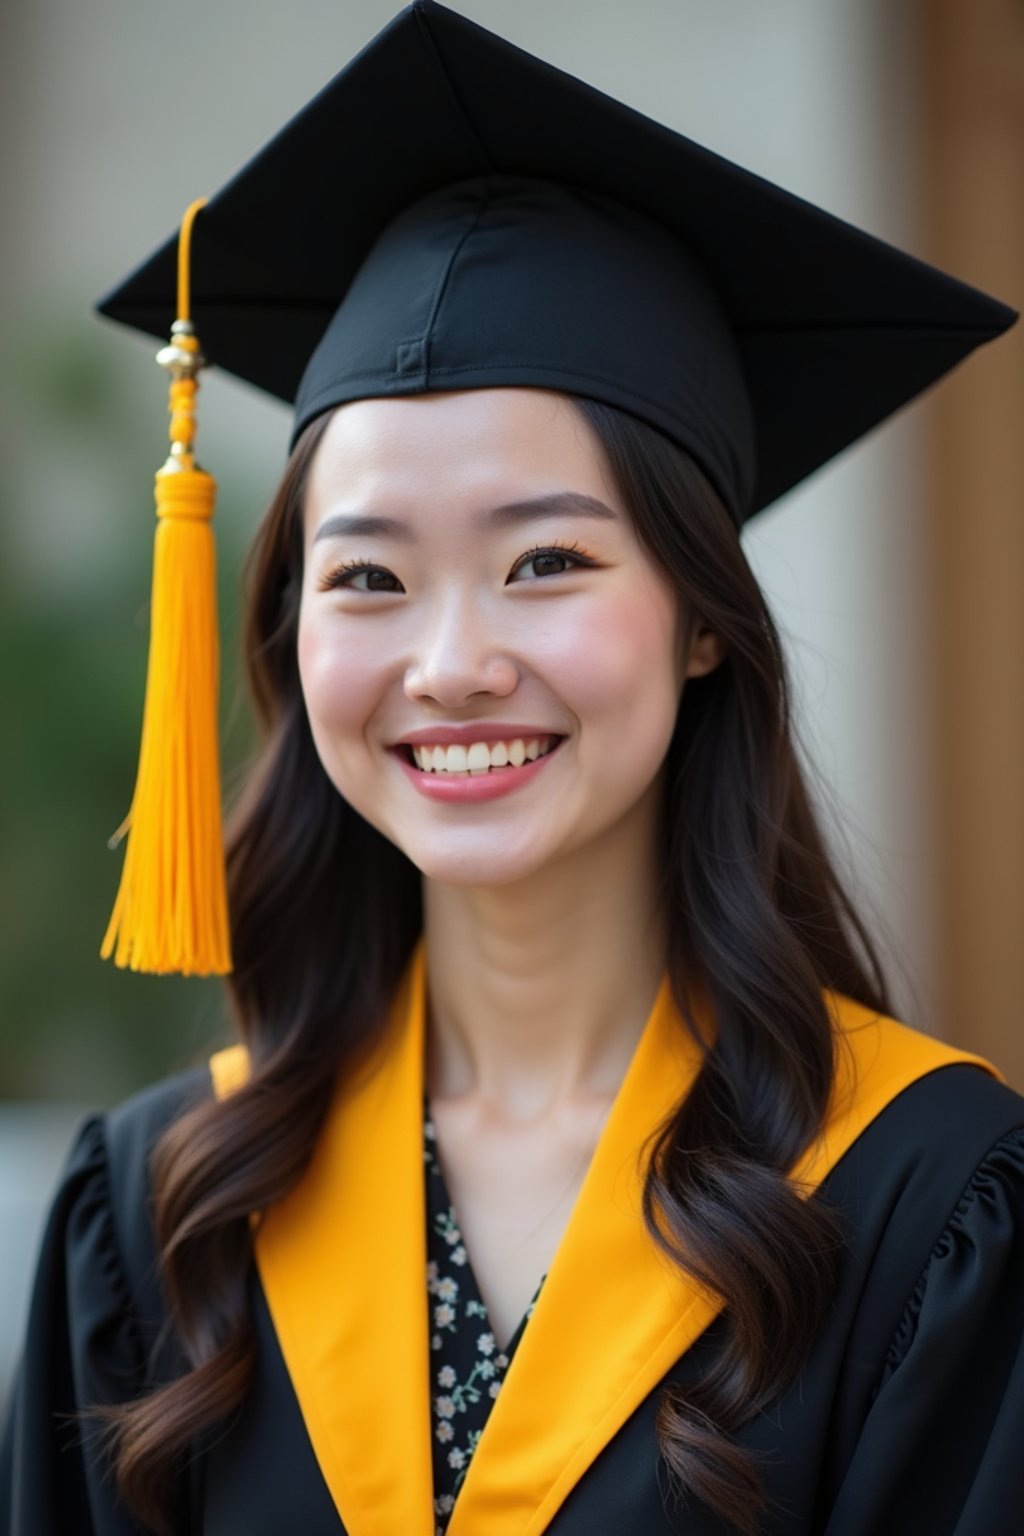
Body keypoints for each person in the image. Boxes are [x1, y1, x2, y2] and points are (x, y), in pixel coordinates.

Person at [2, 3, 1023, 1533]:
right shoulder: (166, 1214)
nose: (452, 661)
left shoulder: (920, 1199)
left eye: (545, 558)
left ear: (698, 621)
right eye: (368, 577)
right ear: (285, 636)